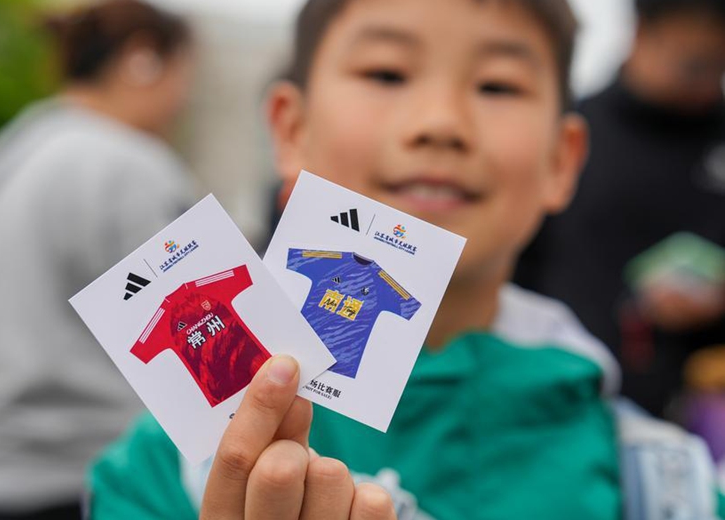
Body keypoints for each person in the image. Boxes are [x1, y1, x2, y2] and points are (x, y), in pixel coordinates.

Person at [88, 0, 725, 518]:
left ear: (562, 161)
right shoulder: (160, 473)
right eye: (386, 73)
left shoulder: (670, 486)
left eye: (498, 85)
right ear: (289, 130)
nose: (439, 122)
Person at [0, 1, 197, 518]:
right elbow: (201, 330)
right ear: (142, 62)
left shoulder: (10, 148)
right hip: (82, 474)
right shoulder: (129, 166)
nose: (182, 100)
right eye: (184, 76)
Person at [515, 0, 725, 418]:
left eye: (719, 68)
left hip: (689, 410)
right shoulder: (571, 131)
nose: (706, 84)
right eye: (693, 65)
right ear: (641, 35)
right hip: (557, 393)